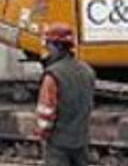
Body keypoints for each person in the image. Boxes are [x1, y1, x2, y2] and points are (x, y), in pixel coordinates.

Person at [35, 23, 96, 166]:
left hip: (58, 144)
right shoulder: (87, 71)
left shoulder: (53, 75)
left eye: (49, 46)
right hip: (81, 141)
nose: (47, 51)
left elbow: (46, 110)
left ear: (56, 46)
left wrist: (42, 133)